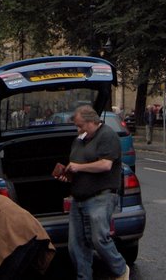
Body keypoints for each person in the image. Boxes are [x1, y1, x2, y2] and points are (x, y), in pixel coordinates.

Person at [53, 105, 129, 280]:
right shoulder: (80, 139)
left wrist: (79, 167)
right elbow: (77, 166)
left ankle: (120, 270)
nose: (78, 129)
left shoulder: (107, 136)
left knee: (99, 239)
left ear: (92, 121)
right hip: (78, 198)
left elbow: (105, 165)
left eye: (80, 125)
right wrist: (69, 175)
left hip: (100, 197)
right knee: (76, 246)